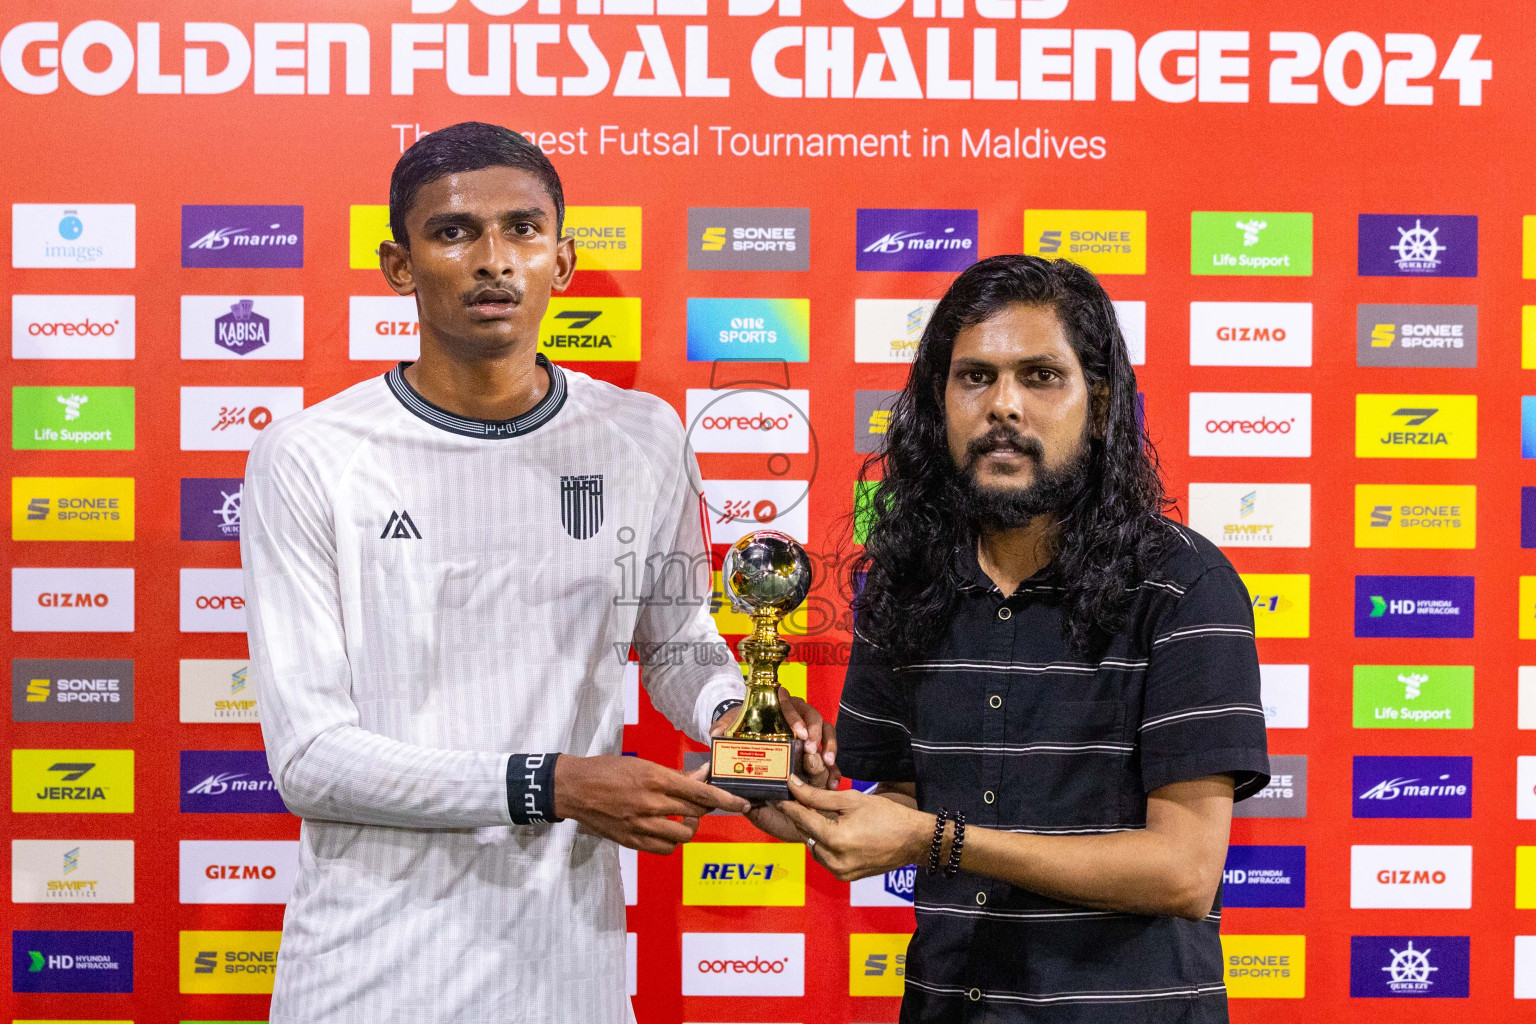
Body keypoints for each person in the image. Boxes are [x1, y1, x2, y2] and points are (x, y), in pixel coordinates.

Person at [239, 121, 836, 1024]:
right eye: (453, 233)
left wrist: (738, 717)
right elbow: (313, 761)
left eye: (522, 230)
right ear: (398, 266)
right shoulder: (310, 455)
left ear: (561, 260)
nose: (493, 260)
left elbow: (678, 644)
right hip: (368, 975)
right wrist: (551, 783)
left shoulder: (642, 435)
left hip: (568, 975)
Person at [772, 255, 1271, 1022]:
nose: (1004, 406)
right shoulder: (904, 583)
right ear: (938, 403)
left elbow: (1183, 871)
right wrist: (784, 790)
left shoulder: (1182, 583)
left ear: (1098, 404)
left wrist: (936, 841)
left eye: (1041, 376)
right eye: (975, 377)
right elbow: (897, 810)